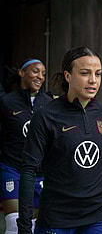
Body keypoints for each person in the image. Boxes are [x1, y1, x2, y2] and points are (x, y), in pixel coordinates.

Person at [17, 47, 102, 233]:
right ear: (68, 76)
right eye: (85, 73)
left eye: (98, 74)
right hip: (57, 216)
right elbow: (29, 170)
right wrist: (24, 225)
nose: (93, 80)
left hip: (98, 213)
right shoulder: (46, 115)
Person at [0, 59, 52, 234]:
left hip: (39, 172)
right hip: (12, 168)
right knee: (15, 224)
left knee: (34, 224)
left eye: (43, 74)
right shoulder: (7, 102)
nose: (40, 77)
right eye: (35, 71)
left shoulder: (49, 103)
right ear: (22, 73)